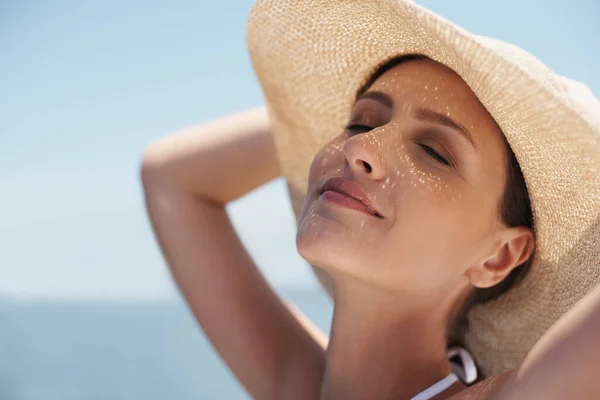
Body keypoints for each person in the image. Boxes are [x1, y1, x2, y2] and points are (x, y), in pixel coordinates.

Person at [141, 1, 600, 399]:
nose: (359, 148)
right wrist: (308, 118)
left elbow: (172, 180)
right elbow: (169, 176)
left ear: (499, 255)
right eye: (360, 123)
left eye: (433, 152)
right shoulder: (297, 386)